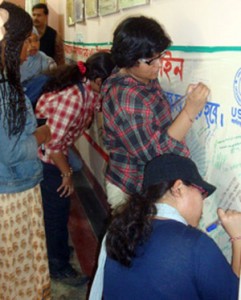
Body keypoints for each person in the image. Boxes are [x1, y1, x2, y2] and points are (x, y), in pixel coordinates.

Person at [89, 154, 241, 299]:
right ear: (179, 188)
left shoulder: (117, 230)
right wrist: (238, 238)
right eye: (202, 193)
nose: (203, 201)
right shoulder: (195, 245)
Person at [102, 16, 210, 209]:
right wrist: (189, 111)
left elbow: (153, 121)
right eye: (151, 61)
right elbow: (155, 153)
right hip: (132, 189)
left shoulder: (142, 77)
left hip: (148, 183)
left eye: (160, 56)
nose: (159, 64)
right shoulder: (125, 96)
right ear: (130, 58)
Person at [35, 52, 115, 285]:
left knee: (58, 209)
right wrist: (67, 174)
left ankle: (56, 250)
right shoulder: (73, 97)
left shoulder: (88, 91)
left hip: (55, 154)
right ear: (99, 80)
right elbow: (53, 144)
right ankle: (57, 266)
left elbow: (98, 107)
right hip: (46, 159)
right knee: (56, 212)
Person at [0, 2, 51, 299]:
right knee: (19, 279)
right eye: (23, 41)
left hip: (11, 187)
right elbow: (11, 152)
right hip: (11, 193)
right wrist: (41, 135)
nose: (28, 48)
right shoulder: (4, 88)